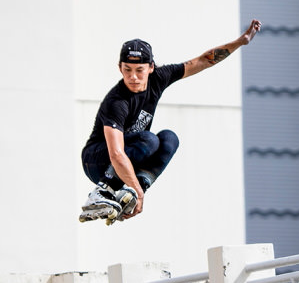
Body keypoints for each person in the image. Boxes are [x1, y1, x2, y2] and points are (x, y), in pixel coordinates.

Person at [81, 19, 262, 220]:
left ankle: (130, 192)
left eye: (139, 70)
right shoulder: (117, 101)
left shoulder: (159, 78)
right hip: (96, 162)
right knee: (149, 140)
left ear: (151, 68)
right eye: (127, 70)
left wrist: (240, 42)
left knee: (169, 138)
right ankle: (102, 191)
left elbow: (202, 61)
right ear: (120, 68)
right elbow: (116, 153)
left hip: (127, 158)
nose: (133, 77)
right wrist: (139, 194)